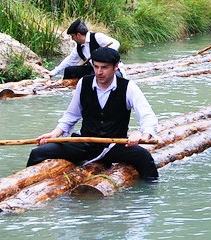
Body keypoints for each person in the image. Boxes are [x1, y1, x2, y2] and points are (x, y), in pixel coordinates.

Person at [27, 47, 159, 182]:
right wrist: (54, 134)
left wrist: (144, 135)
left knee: (144, 157)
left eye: (104, 67)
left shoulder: (128, 87)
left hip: (114, 146)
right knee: (38, 152)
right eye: (95, 67)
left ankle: (148, 194)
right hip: (85, 144)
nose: (99, 72)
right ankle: (29, 187)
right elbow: (71, 115)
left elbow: (147, 115)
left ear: (116, 67)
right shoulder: (83, 83)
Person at [49, 19, 122, 79]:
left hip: (109, 69)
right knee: (69, 70)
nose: (72, 39)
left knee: (113, 76)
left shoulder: (97, 37)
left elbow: (116, 44)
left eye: (72, 36)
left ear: (78, 35)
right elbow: (69, 61)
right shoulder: (79, 47)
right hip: (93, 70)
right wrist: (53, 73)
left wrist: (101, 54)